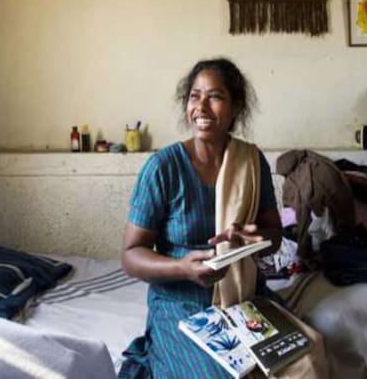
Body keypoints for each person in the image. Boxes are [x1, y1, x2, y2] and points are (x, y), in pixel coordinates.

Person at [118, 57, 283, 378]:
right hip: (180, 303)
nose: (201, 107)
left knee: (301, 363)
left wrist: (255, 238)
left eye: (215, 96)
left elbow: (274, 237)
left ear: (235, 108)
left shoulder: (250, 162)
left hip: (244, 297)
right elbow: (131, 255)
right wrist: (182, 268)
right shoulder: (163, 168)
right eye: (195, 96)